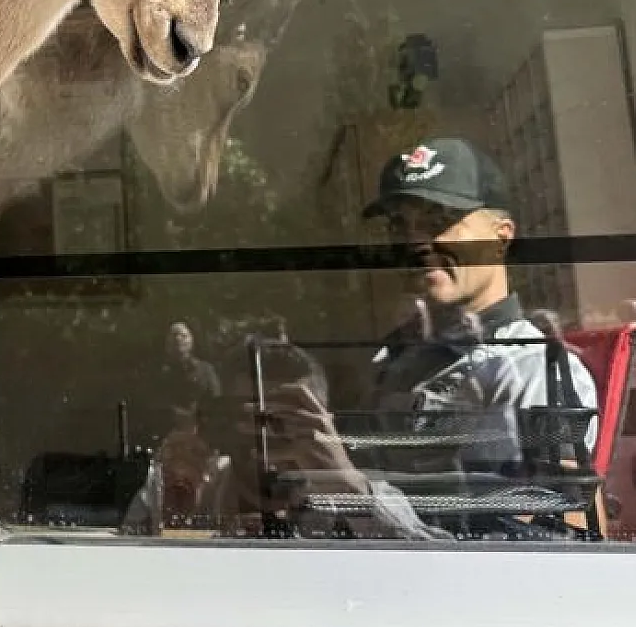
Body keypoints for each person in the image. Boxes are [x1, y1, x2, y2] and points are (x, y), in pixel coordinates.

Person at [255, 137, 600, 541]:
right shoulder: (391, 362)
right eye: (399, 226)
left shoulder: (533, 369)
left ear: (501, 237)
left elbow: (545, 549)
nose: (415, 243)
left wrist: (351, 490)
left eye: (439, 220)